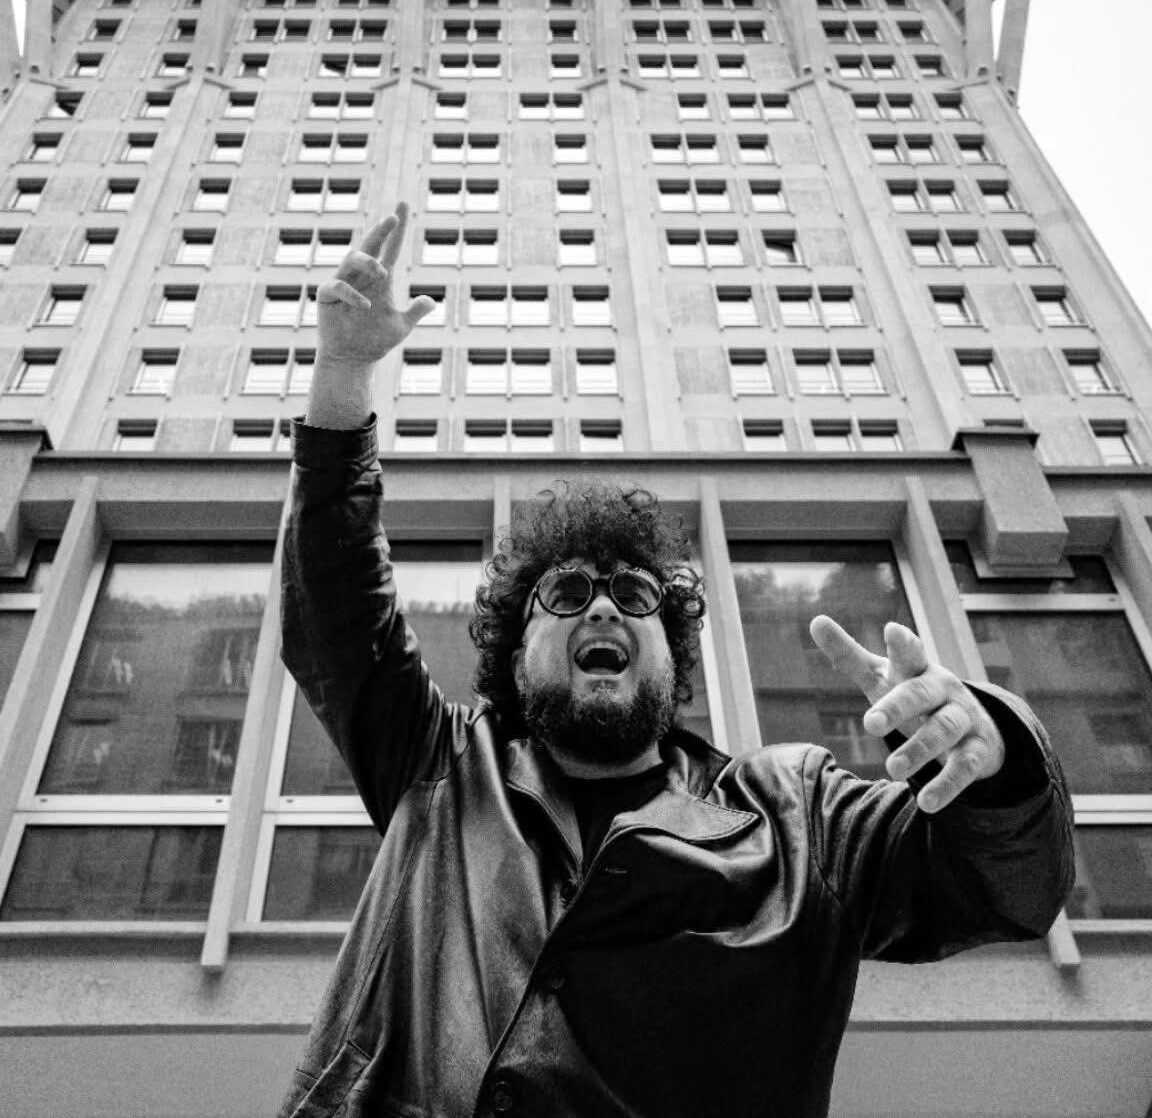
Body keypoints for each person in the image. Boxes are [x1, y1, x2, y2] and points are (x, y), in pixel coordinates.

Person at [278, 204, 1074, 1118]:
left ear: (672, 648)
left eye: (635, 593)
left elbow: (1008, 890)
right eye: (566, 593)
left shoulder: (798, 816)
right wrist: (342, 376)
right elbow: (336, 603)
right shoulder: (441, 765)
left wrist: (996, 757)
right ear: (514, 654)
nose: (604, 606)